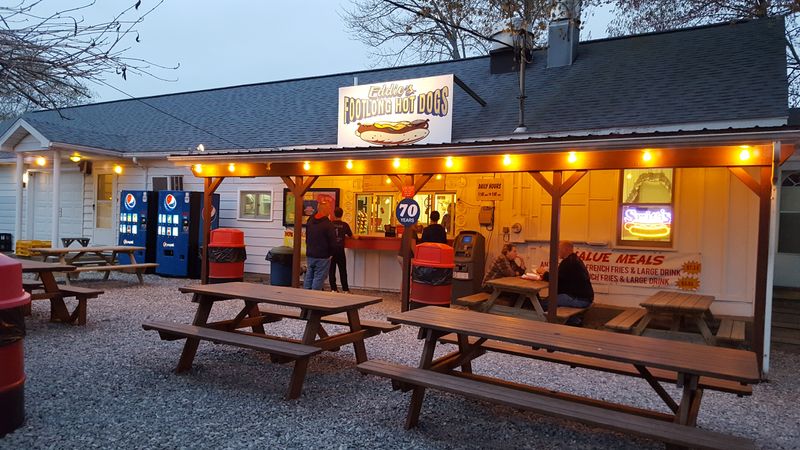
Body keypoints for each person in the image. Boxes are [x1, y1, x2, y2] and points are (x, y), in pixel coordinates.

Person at [537, 240, 594, 309]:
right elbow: (561, 277)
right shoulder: (574, 259)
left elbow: (555, 280)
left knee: (542, 304)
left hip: (579, 299)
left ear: (565, 249)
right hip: (584, 298)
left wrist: (544, 273)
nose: (557, 252)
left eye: (559, 249)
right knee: (551, 300)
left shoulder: (569, 262)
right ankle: (574, 318)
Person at [304, 202, 336, 290]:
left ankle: (305, 294)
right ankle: (313, 297)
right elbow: (333, 241)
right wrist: (331, 253)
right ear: (326, 210)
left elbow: (307, 236)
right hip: (323, 256)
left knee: (309, 275)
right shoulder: (328, 224)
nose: (330, 211)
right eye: (329, 209)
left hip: (310, 253)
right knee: (319, 277)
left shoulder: (310, 220)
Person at [329, 207, 353, 293]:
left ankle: (333, 289)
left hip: (331, 250)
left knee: (332, 270)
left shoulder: (330, 224)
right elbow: (351, 235)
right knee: (342, 270)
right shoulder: (345, 225)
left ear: (334, 214)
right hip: (340, 250)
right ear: (342, 214)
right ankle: (345, 289)